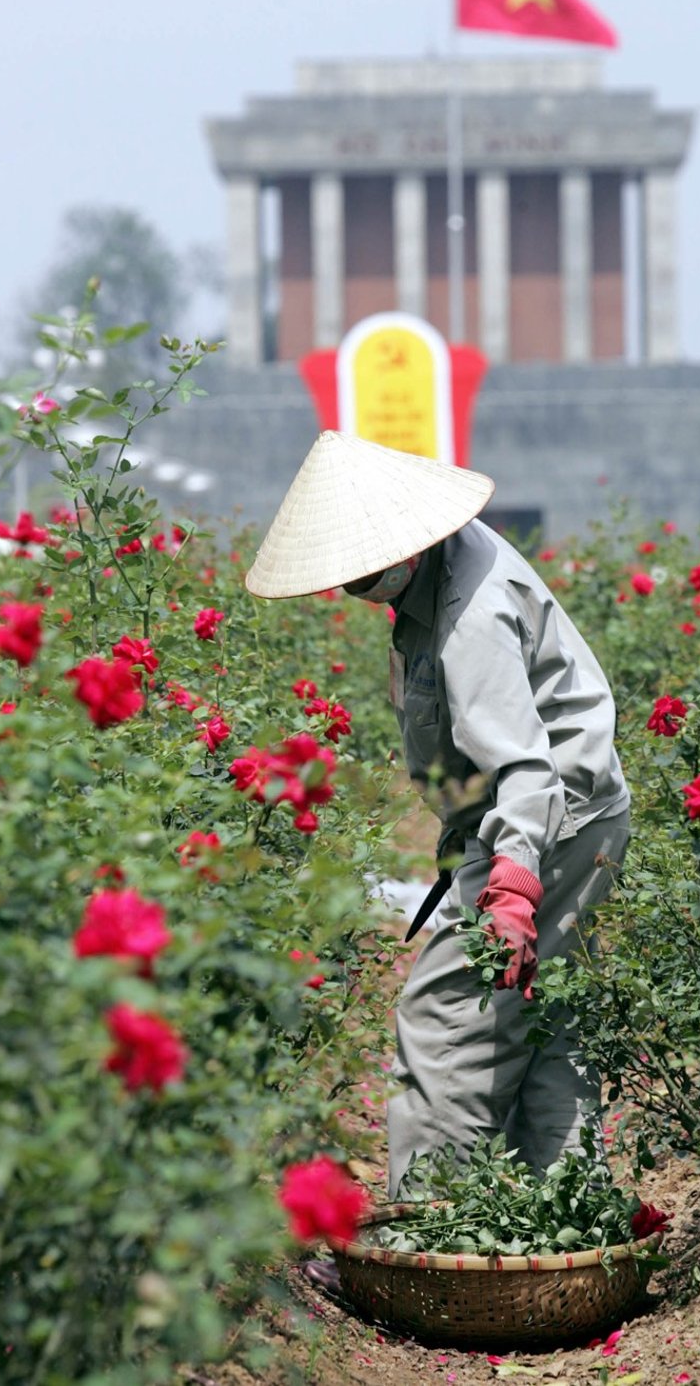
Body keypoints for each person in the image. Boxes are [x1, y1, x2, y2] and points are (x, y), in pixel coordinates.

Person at [245, 430, 630, 1201]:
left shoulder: (469, 614)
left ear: (404, 543)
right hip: (566, 815)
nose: (352, 581)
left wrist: (512, 891)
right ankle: (555, 1211)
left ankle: (433, 1220)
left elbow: (525, 770)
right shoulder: (441, 568)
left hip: (548, 819)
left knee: (446, 1011)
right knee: (544, 1012)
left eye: (361, 564)